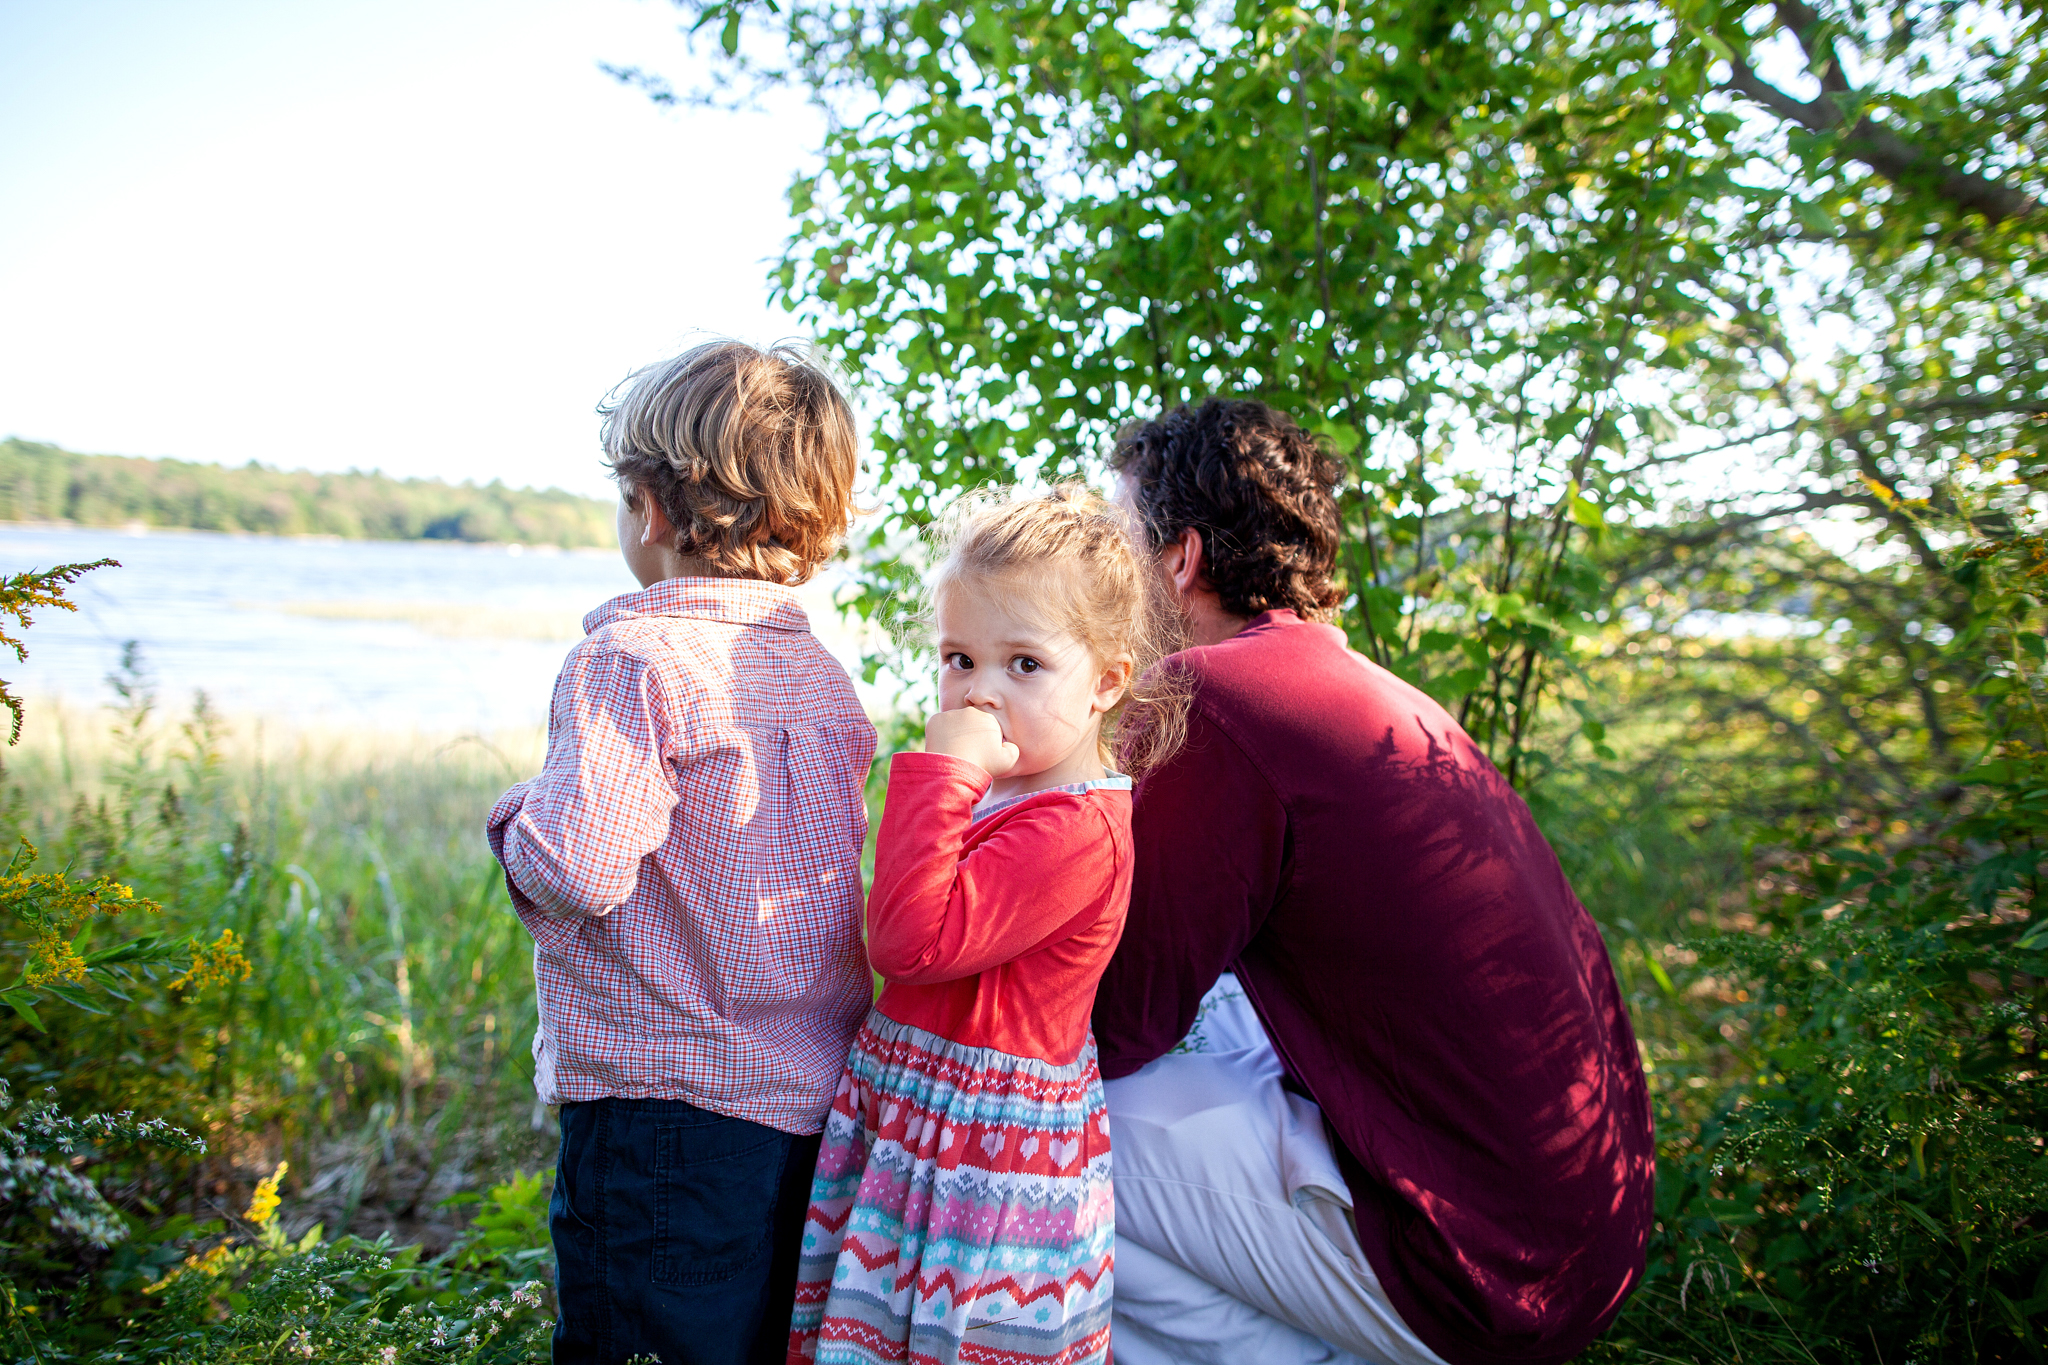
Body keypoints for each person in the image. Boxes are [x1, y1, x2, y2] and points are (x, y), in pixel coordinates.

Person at [1093, 400, 1656, 1365]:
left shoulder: (1210, 698)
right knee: (1216, 1017)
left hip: (1478, 1270)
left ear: (1178, 559)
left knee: (1044, 1132)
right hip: (1581, 1239)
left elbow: (1108, 1023)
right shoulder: (1372, 693)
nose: (1099, 585)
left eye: (1114, 549)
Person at [486, 339, 878, 1365]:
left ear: (649, 510)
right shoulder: (822, 678)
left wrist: (512, 817)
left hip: (664, 1112)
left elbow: (574, 867)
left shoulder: (628, 659)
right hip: (805, 1105)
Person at [787, 486, 1186, 1365]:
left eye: (1025, 665)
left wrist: (937, 772)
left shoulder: (1077, 831)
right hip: (925, 1126)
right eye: (959, 658)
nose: (981, 692)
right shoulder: (1007, 792)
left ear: (1107, 682)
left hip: (981, 1162)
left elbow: (907, 941)